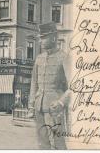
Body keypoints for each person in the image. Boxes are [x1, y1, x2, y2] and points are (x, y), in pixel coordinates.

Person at [27, 22, 71, 150]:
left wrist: (62, 102)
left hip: (54, 110)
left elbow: (75, 85)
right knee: (43, 144)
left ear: (53, 38)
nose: (40, 41)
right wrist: (31, 106)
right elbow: (33, 84)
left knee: (58, 144)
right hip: (38, 108)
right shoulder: (39, 58)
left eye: (43, 37)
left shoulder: (64, 57)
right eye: (40, 37)